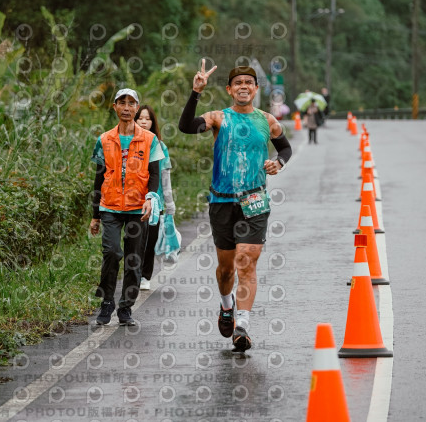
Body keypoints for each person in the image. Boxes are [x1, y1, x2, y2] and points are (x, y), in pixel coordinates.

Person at [178, 61, 292, 352]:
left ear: (255, 89)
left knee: (246, 261)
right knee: (226, 269)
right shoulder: (219, 118)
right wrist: (195, 92)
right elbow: (187, 127)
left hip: (255, 201)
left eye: (248, 82)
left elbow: (285, 148)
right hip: (222, 202)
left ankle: (242, 325)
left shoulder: (268, 121)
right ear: (230, 90)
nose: (243, 86)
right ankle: (226, 305)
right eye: (237, 83)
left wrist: (278, 162)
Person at [90, 88, 165, 326]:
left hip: (137, 208)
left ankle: (125, 308)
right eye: (121, 102)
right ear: (114, 107)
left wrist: (151, 198)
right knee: (111, 252)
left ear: (136, 107)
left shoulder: (150, 140)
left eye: (131, 103)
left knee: (134, 259)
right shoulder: (104, 139)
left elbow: (155, 174)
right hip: (110, 207)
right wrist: (95, 216)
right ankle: (106, 302)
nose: (126, 107)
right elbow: (98, 177)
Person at [134, 105, 176, 290]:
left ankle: (145, 276)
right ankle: (132, 274)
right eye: (140, 118)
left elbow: (165, 177)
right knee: (134, 241)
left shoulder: (160, 146)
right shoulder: (128, 143)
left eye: (147, 118)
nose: (143, 121)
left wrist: (170, 204)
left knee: (150, 240)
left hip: (154, 201)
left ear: (153, 123)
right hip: (132, 201)